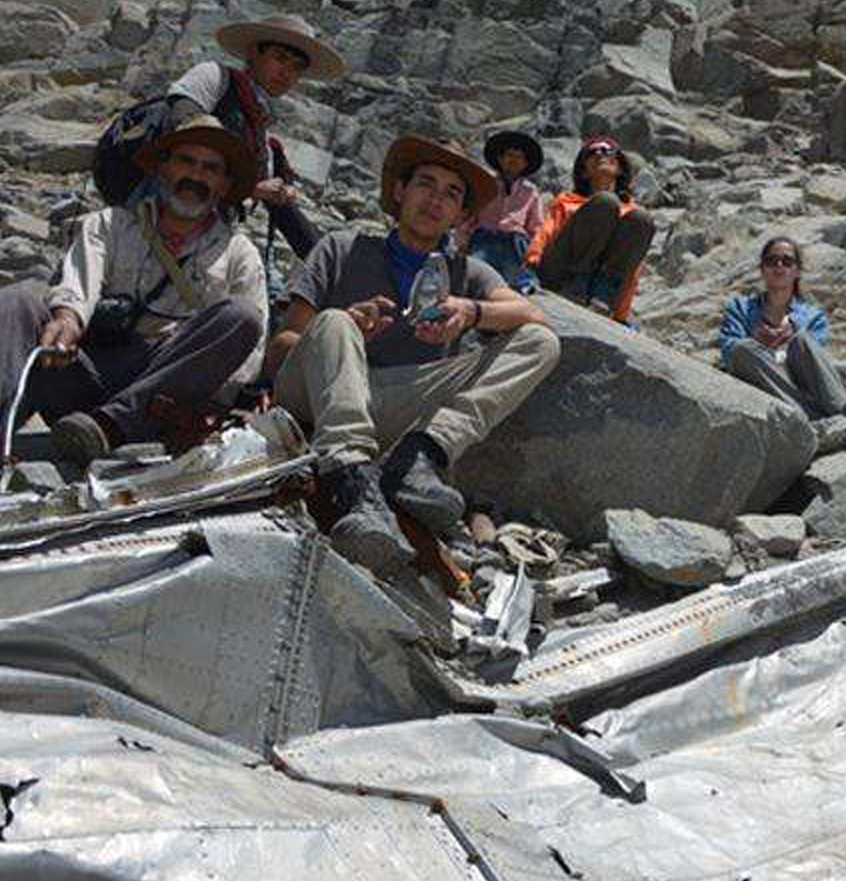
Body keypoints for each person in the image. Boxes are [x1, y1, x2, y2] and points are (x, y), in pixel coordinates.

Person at [267, 133, 560, 574]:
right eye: (425, 183)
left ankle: (422, 456)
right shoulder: (341, 248)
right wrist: (346, 329)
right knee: (332, 322)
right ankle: (349, 480)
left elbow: (531, 313)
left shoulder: (468, 272)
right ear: (399, 191)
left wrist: (470, 311)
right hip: (321, 398)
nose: (435, 200)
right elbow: (280, 352)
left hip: (402, 403)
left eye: (452, 193)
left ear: (462, 214)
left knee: (541, 341)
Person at [0, 117, 267, 467]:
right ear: (162, 168)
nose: (196, 175)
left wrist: (207, 403)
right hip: (84, 365)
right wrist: (67, 320)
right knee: (18, 301)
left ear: (223, 185)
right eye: (185, 161)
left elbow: (248, 355)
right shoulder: (110, 224)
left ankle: (108, 426)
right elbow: (78, 282)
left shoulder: (239, 253)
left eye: (210, 168)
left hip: (161, 394)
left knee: (241, 316)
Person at [167, 13, 345, 265]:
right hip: (159, 220)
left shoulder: (263, 140)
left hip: (204, 243)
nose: (287, 72)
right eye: (280, 58)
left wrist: (330, 269)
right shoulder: (212, 79)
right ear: (254, 52)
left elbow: (285, 216)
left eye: (296, 67)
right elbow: (182, 135)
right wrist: (249, 189)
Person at [717, 236, 846, 446]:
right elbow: (728, 351)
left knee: (802, 339)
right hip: (761, 379)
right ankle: (815, 422)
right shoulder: (739, 308)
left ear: (796, 271)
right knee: (743, 348)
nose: (779, 266)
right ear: (762, 269)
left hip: (796, 379)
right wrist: (760, 343)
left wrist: (787, 343)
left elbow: (816, 361)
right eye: (772, 260)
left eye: (787, 261)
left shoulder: (813, 316)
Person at [525, 135, 654, 322]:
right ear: (584, 172)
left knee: (642, 219)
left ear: (619, 168)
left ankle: (603, 299)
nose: (601, 154)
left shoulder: (631, 215)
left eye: (609, 151)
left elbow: (631, 269)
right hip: (559, 274)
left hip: (599, 287)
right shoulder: (566, 201)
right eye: (592, 152)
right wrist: (530, 268)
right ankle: (574, 288)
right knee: (605, 202)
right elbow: (545, 234)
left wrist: (621, 316)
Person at [459, 130, 546, 288]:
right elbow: (472, 214)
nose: (514, 160)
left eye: (519, 157)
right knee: (475, 274)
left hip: (515, 241)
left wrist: (535, 251)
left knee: (516, 280)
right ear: (500, 159)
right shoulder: (486, 184)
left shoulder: (530, 191)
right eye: (509, 155)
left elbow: (536, 226)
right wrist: (463, 239)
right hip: (485, 237)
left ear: (525, 164)